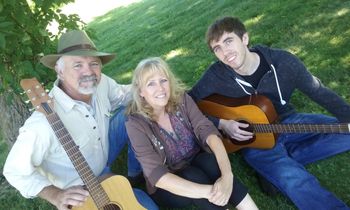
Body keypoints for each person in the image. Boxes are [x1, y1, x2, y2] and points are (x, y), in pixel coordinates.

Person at [189, 16, 350, 210]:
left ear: (245, 39)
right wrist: (221, 123)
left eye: (228, 41)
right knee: (294, 179)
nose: (225, 53)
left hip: (288, 121)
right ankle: (278, 169)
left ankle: (272, 171)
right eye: (217, 49)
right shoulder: (216, 75)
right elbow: (185, 105)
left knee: (344, 131)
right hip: (255, 141)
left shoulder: (283, 62)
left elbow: (319, 91)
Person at [3, 30, 157, 210]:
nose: (88, 72)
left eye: (94, 63)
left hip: (103, 152)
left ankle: (136, 173)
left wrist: (155, 88)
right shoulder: (41, 125)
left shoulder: (101, 83)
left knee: (134, 109)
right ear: (59, 71)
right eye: (77, 65)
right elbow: (14, 172)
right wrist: (55, 195)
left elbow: (123, 95)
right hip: (81, 189)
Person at [125, 57, 258, 210]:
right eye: (151, 84)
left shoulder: (181, 99)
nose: (160, 89)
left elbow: (208, 132)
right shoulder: (135, 123)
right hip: (168, 186)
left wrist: (227, 177)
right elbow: (158, 176)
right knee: (193, 175)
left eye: (163, 80)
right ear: (141, 91)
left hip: (196, 160)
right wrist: (212, 192)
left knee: (209, 161)